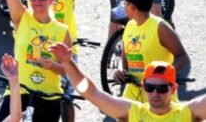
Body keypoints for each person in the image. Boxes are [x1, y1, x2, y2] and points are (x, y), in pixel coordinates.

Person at [0, 0, 72, 122]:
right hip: (19, 90)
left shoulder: (62, 31)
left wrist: (52, 66)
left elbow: (67, 70)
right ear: (28, 0)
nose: (37, 0)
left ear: (51, 0)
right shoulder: (22, 18)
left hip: (49, 96)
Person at [45, 44, 206, 122]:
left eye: (162, 88)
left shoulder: (187, 114)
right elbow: (91, 93)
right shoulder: (133, 112)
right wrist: (68, 63)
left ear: (173, 89)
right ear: (143, 87)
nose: (155, 93)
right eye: (150, 88)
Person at [112, 0, 189, 103]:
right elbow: (125, 57)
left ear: (132, 7)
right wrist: (120, 69)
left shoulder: (160, 27)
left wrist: (160, 77)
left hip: (158, 94)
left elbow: (183, 57)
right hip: (133, 92)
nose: (123, 6)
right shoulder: (130, 25)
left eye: (125, 3)